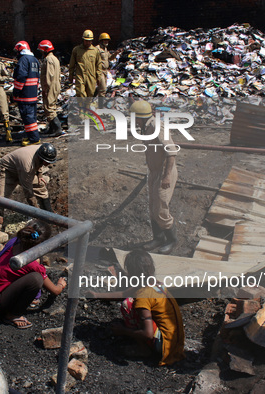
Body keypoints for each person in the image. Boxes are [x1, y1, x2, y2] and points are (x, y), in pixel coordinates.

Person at [90, 250, 185, 366]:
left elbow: (148, 334)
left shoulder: (143, 295)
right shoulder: (154, 283)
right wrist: (96, 295)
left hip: (164, 346)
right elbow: (123, 294)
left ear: (131, 273)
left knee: (128, 304)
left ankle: (143, 349)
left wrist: (123, 331)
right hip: (175, 343)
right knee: (133, 303)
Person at [0, 220, 67, 328]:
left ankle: (31, 297)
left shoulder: (14, 242)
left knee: (36, 270)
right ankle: (12, 315)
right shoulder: (32, 264)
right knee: (36, 279)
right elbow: (55, 291)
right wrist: (61, 284)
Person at [131, 100, 179, 254]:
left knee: (161, 210)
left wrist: (166, 177)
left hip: (164, 172)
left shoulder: (157, 127)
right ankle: (158, 238)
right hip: (154, 172)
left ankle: (172, 241)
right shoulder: (145, 127)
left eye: (135, 118)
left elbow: (171, 153)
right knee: (153, 207)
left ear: (141, 117)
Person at [0, 143, 57, 218]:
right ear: (41, 158)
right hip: (8, 171)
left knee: (40, 186)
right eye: (47, 162)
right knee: (1, 199)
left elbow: (39, 163)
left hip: (20, 167)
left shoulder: (42, 150)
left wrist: (39, 175)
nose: (48, 164)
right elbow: (28, 192)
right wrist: (36, 211)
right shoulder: (28, 166)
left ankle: (49, 214)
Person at [13, 41, 41, 146]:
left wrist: (16, 90)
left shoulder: (23, 60)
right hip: (32, 94)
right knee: (32, 117)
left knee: (28, 117)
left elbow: (21, 76)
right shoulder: (35, 60)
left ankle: (34, 139)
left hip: (24, 95)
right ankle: (32, 136)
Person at [38, 40, 62, 137]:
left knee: (49, 107)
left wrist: (45, 88)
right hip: (56, 84)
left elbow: (48, 75)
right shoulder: (55, 59)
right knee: (51, 106)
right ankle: (52, 128)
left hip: (51, 85)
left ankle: (57, 128)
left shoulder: (48, 60)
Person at [69, 30, 103, 98]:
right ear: (83, 40)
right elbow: (72, 64)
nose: (88, 42)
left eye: (90, 41)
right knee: (81, 94)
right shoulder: (77, 50)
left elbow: (98, 65)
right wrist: (71, 75)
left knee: (90, 95)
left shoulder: (95, 51)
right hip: (80, 76)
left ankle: (86, 108)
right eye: (86, 41)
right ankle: (82, 108)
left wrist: (98, 77)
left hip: (91, 77)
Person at [95, 33, 111, 99]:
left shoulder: (105, 49)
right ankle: (100, 106)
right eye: (104, 40)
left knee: (102, 89)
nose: (106, 41)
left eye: (107, 40)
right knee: (103, 89)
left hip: (105, 71)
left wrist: (116, 53)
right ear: (101, 40)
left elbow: (110, 58)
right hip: (100, 71)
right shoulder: (97, 49)